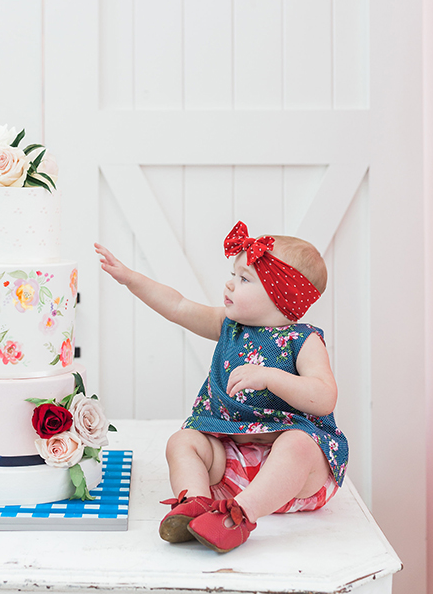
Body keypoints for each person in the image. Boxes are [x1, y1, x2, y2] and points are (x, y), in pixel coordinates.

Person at [94, 222, 348, 553]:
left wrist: (271, 377)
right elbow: (178, 306)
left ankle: (239, 518)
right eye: (233, 274)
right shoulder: (229, 327)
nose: (229, 283)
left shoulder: (303, 341)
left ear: (279, 295)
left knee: (298, 445)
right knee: (183, 441)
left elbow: (324, 397)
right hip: (233, 469)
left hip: (292, 479)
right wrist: (131, 279)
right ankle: (195, 507)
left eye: (244, 279)